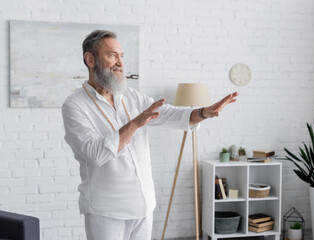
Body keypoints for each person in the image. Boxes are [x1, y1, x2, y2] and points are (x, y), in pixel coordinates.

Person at [62, 30, 238, 240]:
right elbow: (95, 154)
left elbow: (170, 114)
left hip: (144, 206)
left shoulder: (131, 96)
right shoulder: (74, 105)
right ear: (90, 59)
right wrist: (135, 123)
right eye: (112, 55)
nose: (120, 62)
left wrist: (202, 113)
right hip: (106, 212)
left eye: (121, 56)